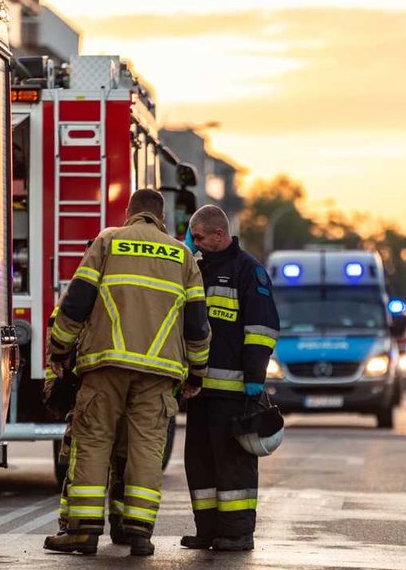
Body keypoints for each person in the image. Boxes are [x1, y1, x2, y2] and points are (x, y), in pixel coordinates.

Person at [43, 189, 211, 556]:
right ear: (162, 218)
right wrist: (196, 372)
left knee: (94, 441)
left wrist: (59, 348)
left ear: (129, 213)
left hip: (106, 366)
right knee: (147, 447)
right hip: (160, 373)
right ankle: (138, 532)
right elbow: (198, 325)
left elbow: (77, 301)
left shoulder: (109, 241)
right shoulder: (182, 256)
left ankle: (82, 532)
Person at [180, 205, 280, 552]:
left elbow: (261, 330)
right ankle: (207, 531)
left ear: (219, 235)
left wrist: (255, 378)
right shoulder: (196, 269)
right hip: (199, 390)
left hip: (236, 392)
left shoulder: (249, 272)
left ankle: (237, 533)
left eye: (200, 238)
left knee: (233, 466)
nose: (196, 244)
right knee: (200, 463)